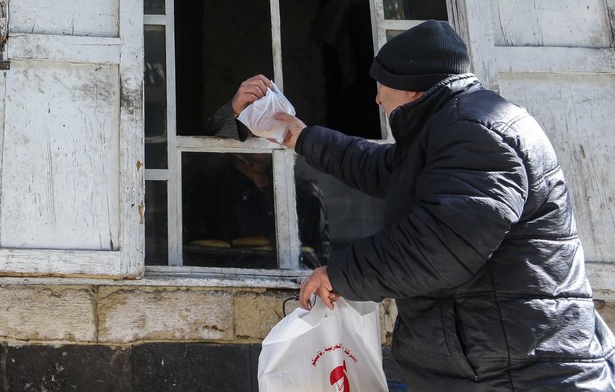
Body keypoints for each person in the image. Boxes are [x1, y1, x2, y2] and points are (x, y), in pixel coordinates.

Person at [262, 20, 614, 390]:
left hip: (521, 376)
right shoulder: (455, 126)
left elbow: (438, 246)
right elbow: (377, 166)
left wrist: (339, 274)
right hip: (496, 367)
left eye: (382, 86)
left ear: (413, 89)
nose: (377, 99)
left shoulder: (477, 132)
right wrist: (301, 137)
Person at [196, 76, 330, 267]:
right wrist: (232, 111)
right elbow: (197, 161)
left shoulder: (305, 193)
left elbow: (320, 252)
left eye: (271, 129)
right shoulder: (213, 186)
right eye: (254, 127)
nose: (264, 139)